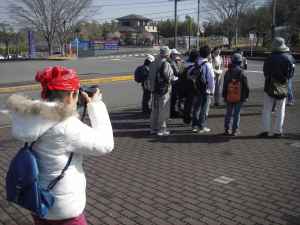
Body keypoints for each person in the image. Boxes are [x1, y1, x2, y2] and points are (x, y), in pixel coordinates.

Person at [7, 66, 114, 224]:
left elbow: (56, 117)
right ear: (72, 94)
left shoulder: (33, 116)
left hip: (38, 200)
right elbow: (105, 145)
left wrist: (71, 108)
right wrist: (96, 105)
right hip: (63, 210)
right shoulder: (66, 126)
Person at [258, 37, 295, 138]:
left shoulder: (269, 58)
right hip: (283, 86)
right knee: (281, 109)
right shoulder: (289, 57)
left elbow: (265, 72)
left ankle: (265, 130)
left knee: (267, 109)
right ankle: (278, 131)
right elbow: (290, 74)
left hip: (269, 85)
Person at [149, 46, 175, 136]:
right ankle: (162, 129)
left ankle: (153, 128)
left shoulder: (153, 63)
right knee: (163, 109)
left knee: (154, 110)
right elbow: (170, 77)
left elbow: (150, 77)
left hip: (154, 90)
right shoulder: (165, 64)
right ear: (167, 54)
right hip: (163, 90)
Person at [222, 53, 249, 136]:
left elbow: (225, 85)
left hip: (229, 95)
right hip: (239, 96)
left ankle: (227, 129)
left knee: (228, 113)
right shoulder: (242, 72)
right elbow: (246, 86)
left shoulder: (227, 72)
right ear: (240, 62)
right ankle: (235, 130)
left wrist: (224, 95)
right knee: (237, 114)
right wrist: (246, 96)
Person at [191, 45, 215, 133]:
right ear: (208, 54)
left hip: (196, 88)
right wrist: (212, 90)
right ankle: (201, 126)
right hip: (205, 90)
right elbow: (211, 78)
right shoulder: (207, 65)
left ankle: (194, 125)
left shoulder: (196, 62)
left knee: (196, 108)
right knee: (203, 108)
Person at [169, 48, 183, 118]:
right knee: (174, 98)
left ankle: (173, 111)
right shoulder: (172, 62)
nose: (177, 56)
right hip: (174, 82)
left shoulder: (172, 61)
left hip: (173, 81)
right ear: (172, 55)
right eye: (175, 54)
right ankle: (173, 112)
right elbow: (177, 73)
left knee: (174, 98)